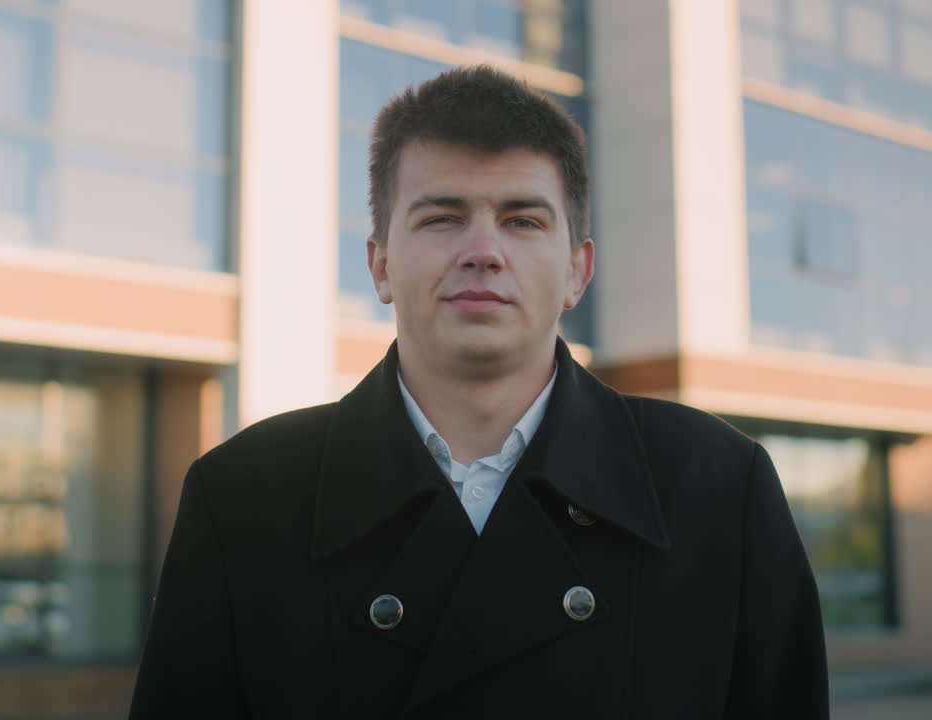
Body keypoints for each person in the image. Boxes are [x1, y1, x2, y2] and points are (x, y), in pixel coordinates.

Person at [129, 66, 828, 718]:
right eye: (442, 217)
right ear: (379, 265)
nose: (484, 249)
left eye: (523, 220)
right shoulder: (242, 497)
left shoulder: (718, 488)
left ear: (577, 272)